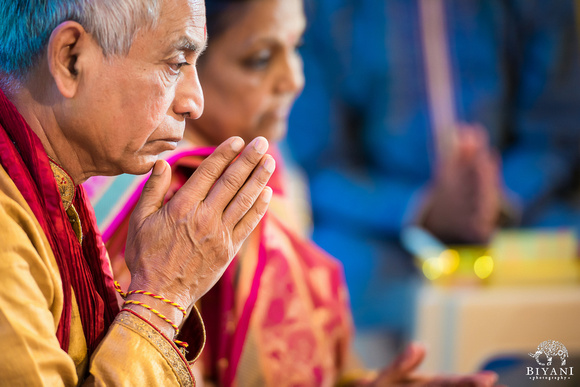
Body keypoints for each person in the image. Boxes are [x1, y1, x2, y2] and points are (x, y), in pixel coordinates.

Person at [85, 0, 498, 386]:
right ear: (184, 64)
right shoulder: (184, 205)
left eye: (296, 47)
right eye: (260, 60)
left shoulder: (261, 169)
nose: (295, 80)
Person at [0, 0, 276, 385]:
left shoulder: (55, 189)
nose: (194, 103)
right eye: (177, 63)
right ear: (70, 59)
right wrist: (163, 295)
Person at [286, 0, 580, 359]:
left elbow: (556, 136)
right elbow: (322, 165)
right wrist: (422, 210)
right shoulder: (325, 10)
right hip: (382, 229)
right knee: (320, 282)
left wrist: (497, 200)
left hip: (523, 213)